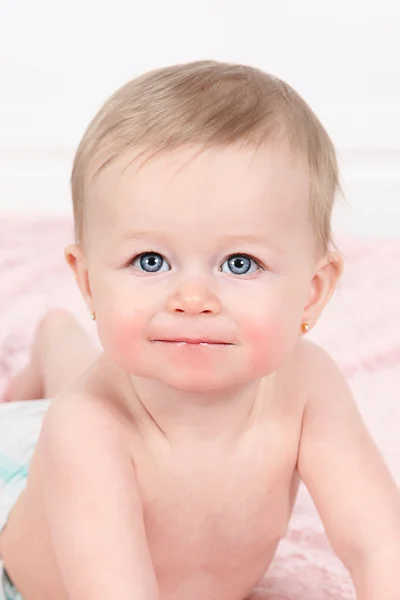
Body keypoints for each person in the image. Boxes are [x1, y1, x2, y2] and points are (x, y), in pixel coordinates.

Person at [0, 60, 399, 600]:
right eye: (149, 261)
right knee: (66, 405)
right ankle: (56, 343)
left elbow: (378, 546)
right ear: (90, 282)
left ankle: (55, 340)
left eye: (239, 263)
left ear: (312, 290)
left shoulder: (307, 387)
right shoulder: (87, 430)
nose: (192, 300)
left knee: (79, 382)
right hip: (24, 505)